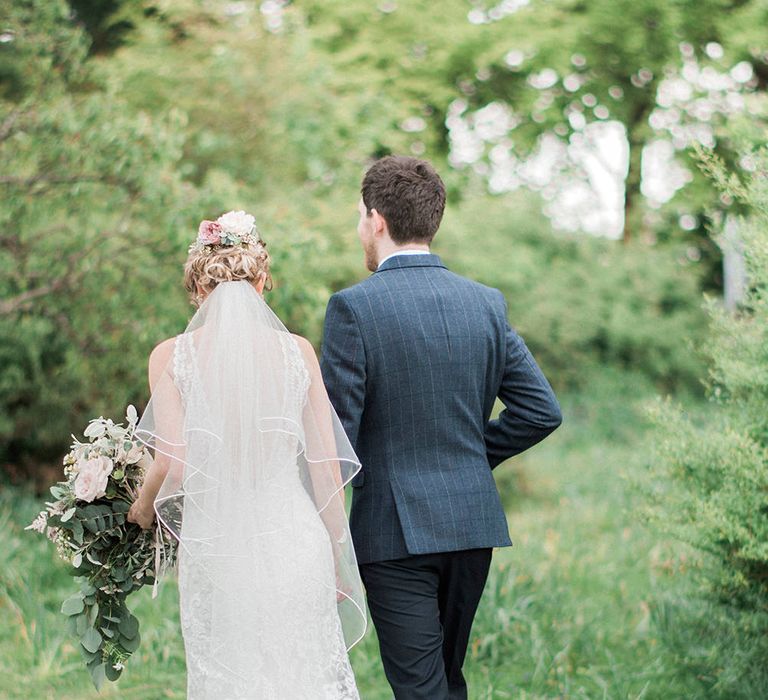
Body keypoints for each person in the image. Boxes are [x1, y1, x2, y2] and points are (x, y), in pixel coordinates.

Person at [320, 156, 562, 700]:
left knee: (424, 689)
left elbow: (337, 442)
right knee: (446, 683)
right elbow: (541, 410)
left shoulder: (352, 310)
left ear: (377, 219)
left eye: (360, 217)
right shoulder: (485, 304)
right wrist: (470, 457)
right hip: (470, 524)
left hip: (392, 532)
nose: (360, 228)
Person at [128, 211, 366, 699]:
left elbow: (171, 458)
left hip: (219, 549)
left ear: (197, 286)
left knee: (231, 681)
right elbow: (326, 469)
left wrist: (140, 507)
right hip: (296, 541)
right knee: (305, 677)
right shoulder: (297, 352)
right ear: (262, 280)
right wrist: (339, 556)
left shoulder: (171, 356)